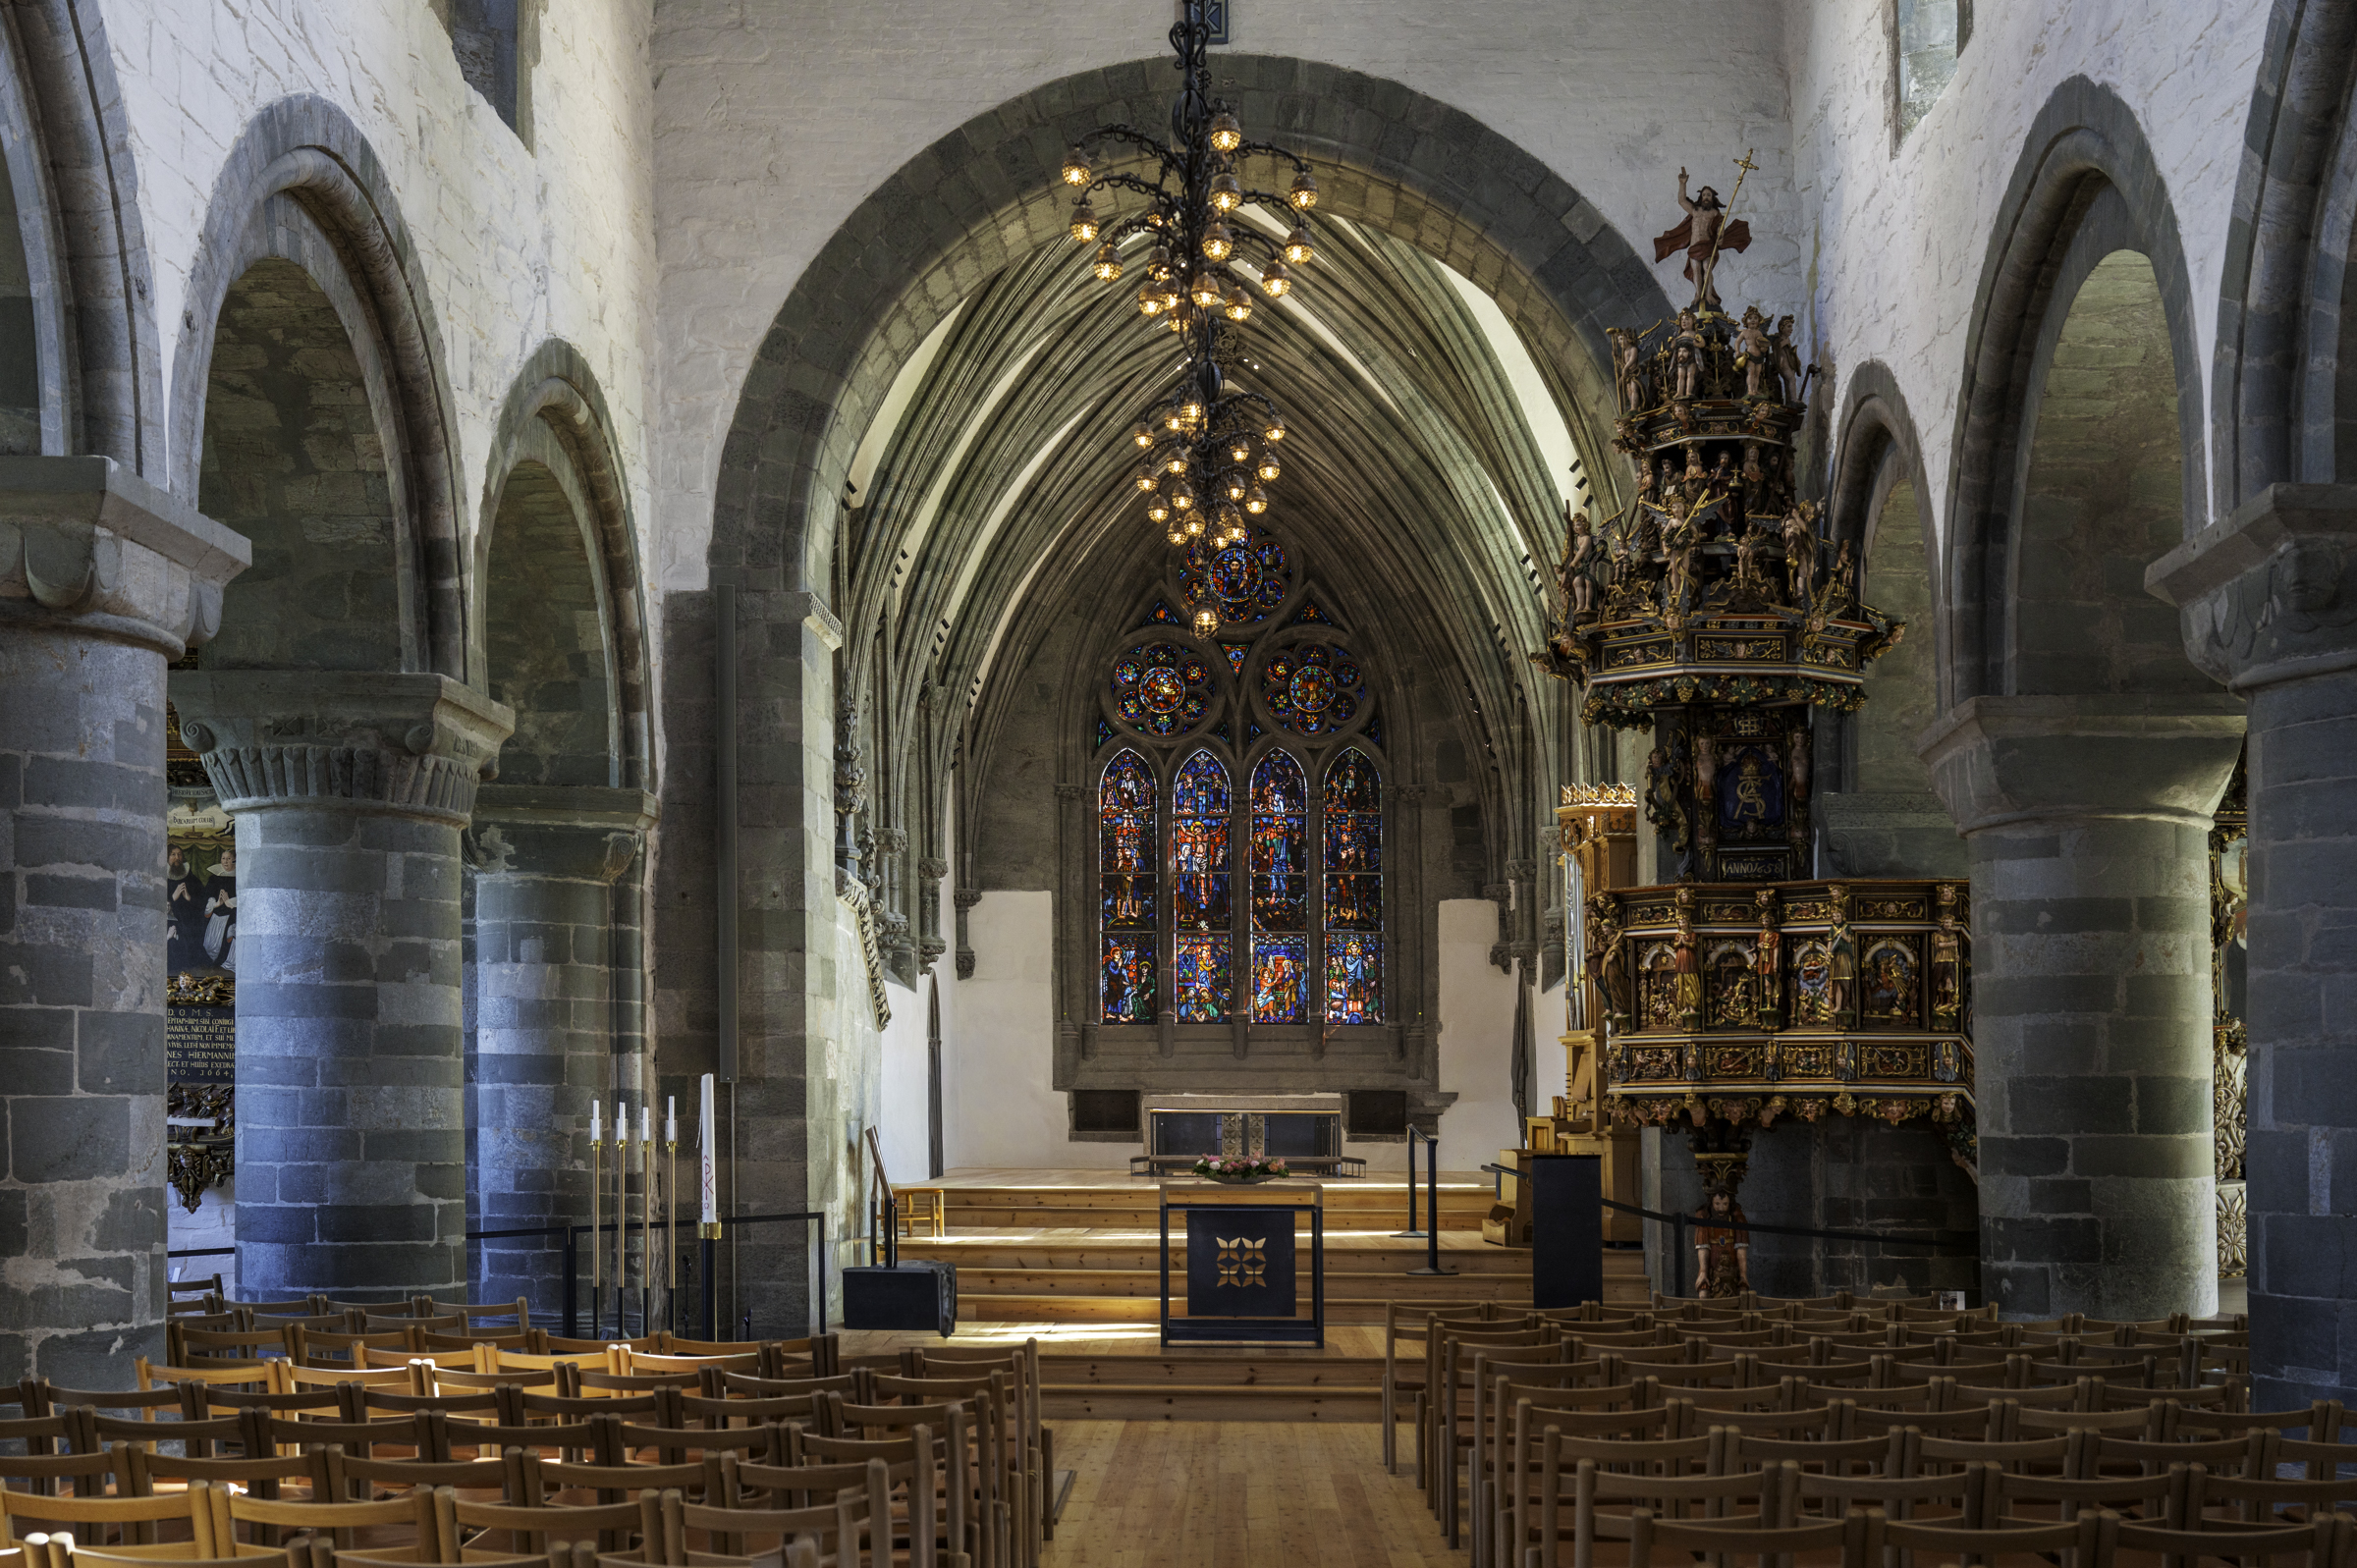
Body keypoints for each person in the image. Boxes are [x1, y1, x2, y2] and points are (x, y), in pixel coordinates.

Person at [1654, 167, 1753, 313]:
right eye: (1704, 195)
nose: (1706, 197)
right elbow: (1681, 200)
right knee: (1696, 271)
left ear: (1712, 198)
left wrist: (1720, 235)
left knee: (1707, 270)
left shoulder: (1714, 212)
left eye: (1709, 195)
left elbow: (1719, 228)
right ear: (1701, 197)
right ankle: (1698, 295)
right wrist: (1682, 183)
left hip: (1708, 245)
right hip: (1694, 245)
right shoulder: (1695, 210)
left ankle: (1708, 295)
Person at [1692, 1186, 1750, 1297]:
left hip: (1733, 1268)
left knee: (1743, 1293)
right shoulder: (1704, 1217)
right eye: (1717, 1203)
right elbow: (1703, 1248)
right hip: (1711, 1268)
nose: (1721, 1208)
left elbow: (1741, 1249)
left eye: (1725, 1204)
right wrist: (1703, 1272)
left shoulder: (1738, 1218)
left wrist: (1743, 1275)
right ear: (1711, 1203)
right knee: (1703, 1294)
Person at [201, 848, 238, 970]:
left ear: (234, 859)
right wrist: (216, 904)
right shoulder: (214, 878)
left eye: (228, 858)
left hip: (231, 916)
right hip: (216, 916)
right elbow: (206, 897)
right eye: (223, 858)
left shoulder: (239, 877)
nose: (225, 861)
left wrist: (228, 902)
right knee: (210, 945)